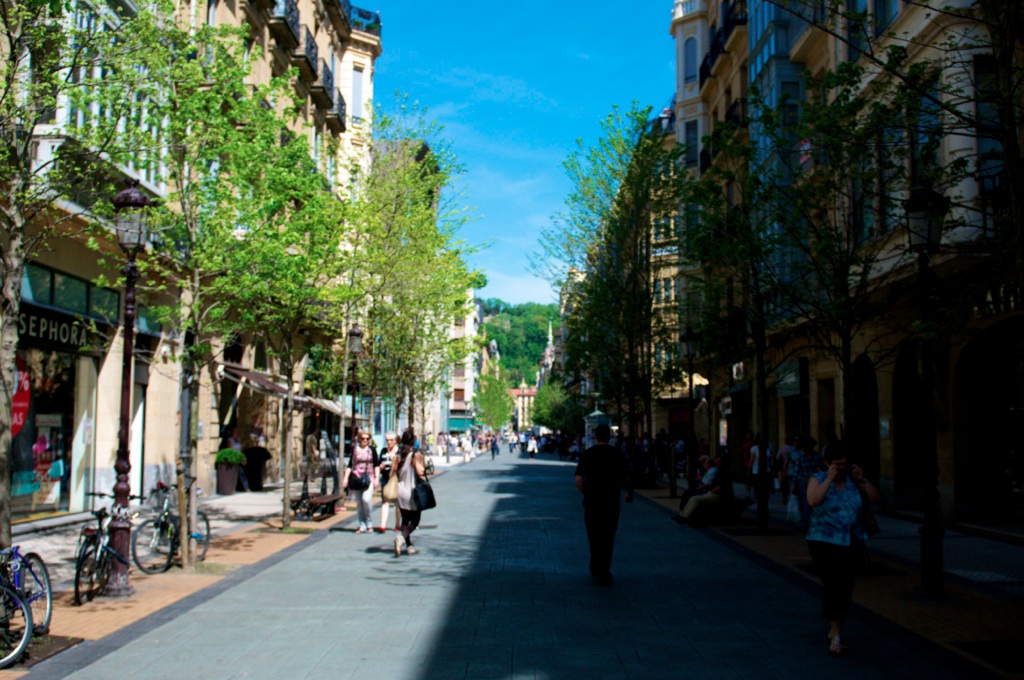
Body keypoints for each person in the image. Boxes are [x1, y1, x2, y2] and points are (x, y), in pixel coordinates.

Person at [806, 440, 880, 656]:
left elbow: (875, 498)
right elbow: (813, 501)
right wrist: (829, 479)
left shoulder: (853, 480)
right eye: (837, 464)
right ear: (827, 462)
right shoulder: (818, 479)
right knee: (833, 584)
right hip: (823, 541)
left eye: (845, 464)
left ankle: (836, 628)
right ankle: (836, 632)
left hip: (850, 540)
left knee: (845, 587)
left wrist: (861, 479)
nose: (841, 469)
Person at [574, 423, 633, 586]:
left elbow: (578, 479)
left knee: (594, 534)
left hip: (592, 501)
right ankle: (604, 569)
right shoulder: (617, 453)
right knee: (608, 535)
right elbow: (627, 477)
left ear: (595, 437)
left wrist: (587, 493)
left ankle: (595, 565)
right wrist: (630, 492)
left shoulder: (588, 454)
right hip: (611, 500)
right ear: (610, 437)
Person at [395, 427, 427, 556]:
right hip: (412, 492)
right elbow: (420, 471)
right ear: (413, 442)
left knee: (405, 519)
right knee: (415, 520)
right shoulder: (414, 455)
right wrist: (421, 463)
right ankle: (401, 538)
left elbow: (392, 474)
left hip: (400, 491)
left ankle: (409, 546)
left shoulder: (397, 457)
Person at [343, 430, 378, 534]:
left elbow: (376, 464)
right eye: (363, 438)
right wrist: (345, 478)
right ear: (359, 439)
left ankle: (369, 522)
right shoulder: (355, 450)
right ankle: (362, 524)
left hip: (368, 478)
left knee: (366, 499)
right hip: (356, 478)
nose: (365, 440)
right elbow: (350, 465)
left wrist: (376, 478)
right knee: (359, 503)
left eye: (367, 439)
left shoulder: (372, 450)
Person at [790, 435, 825, 529]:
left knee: (815, 502)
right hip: (803, 481)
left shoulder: (817, 455)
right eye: (808, 447)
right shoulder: (800, 457)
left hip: (814, 481)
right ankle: (808, 523)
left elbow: (822, 467)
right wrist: (793, 485)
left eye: (811, 447)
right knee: (806, 503)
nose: (809, 449)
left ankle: (814, 522)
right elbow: (797, 472)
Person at [377, 432, 401, 534]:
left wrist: (394, 462)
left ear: (395, 441)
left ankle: (397, 524)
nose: (389, 442)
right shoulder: (383, 451)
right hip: (385, 479)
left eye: (391, 440)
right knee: (385, 500)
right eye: (387, 440)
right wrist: (380, 466)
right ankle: (383, 525)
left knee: (398, 502)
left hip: (397, 479)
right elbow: (378, 465)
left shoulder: (399, 451)